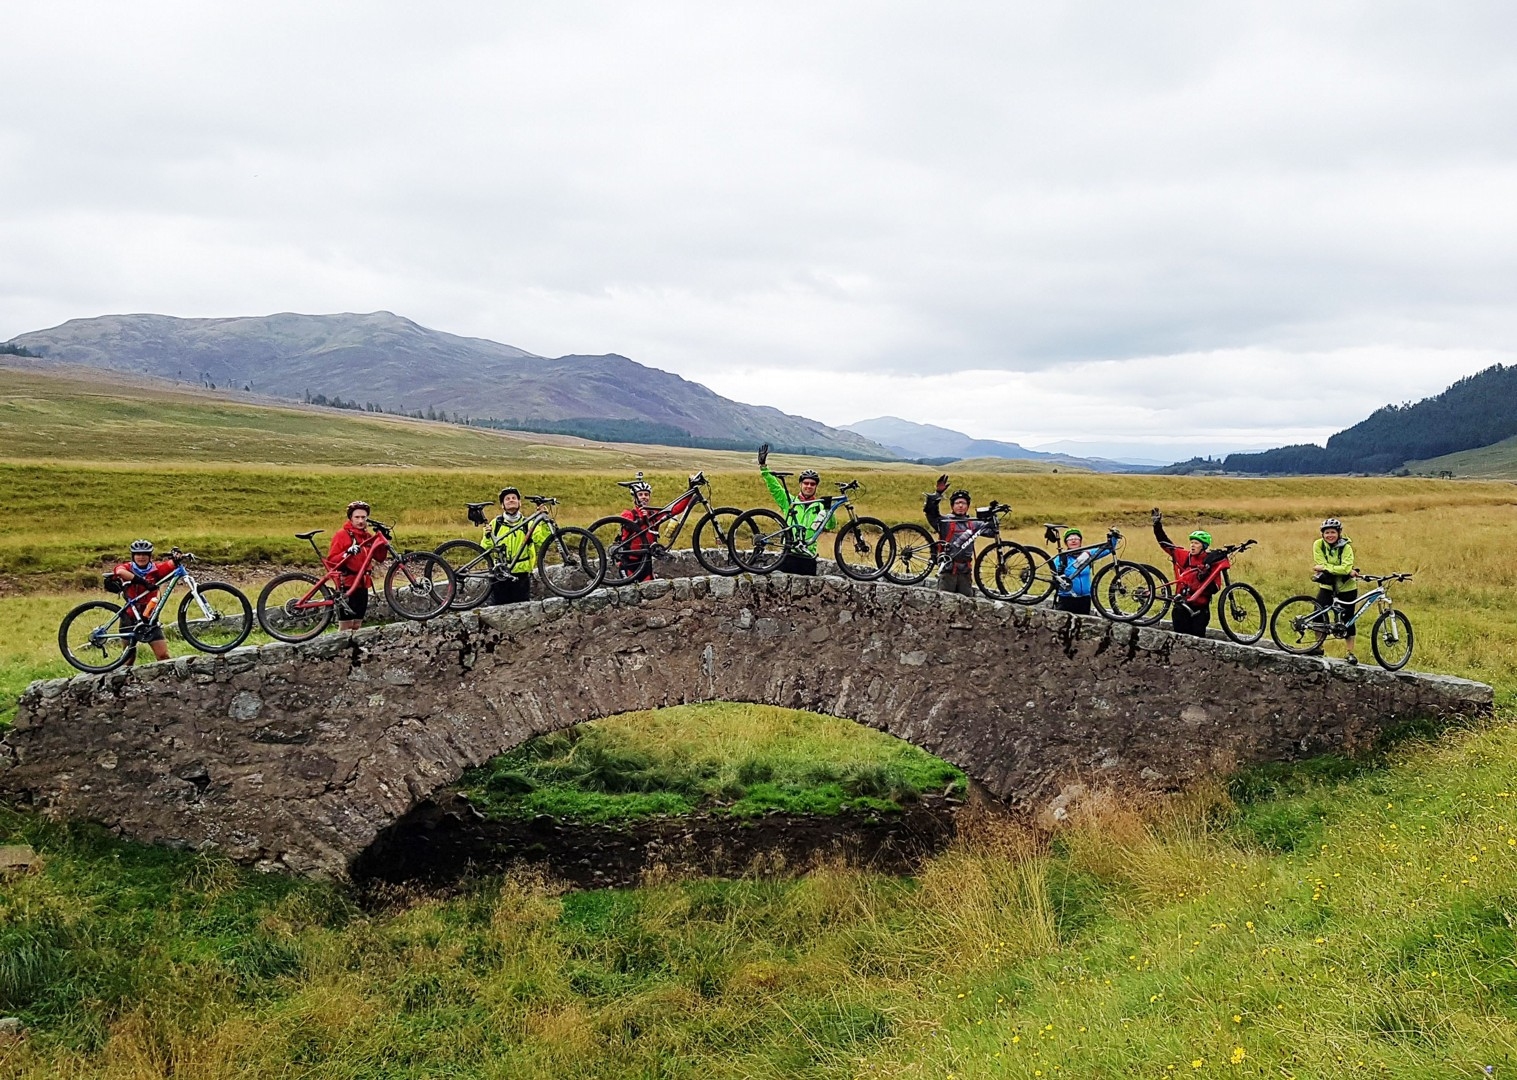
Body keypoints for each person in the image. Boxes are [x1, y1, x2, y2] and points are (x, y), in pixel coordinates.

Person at [757, 443, 832, 575]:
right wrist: (763, 467)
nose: (809, 486)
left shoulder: (820, 506)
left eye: (812, 484)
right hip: (788, 554)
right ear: (800, 484)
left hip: (808, 557)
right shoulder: (790, 502)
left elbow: (831, 526)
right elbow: (775, 488)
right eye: (806, 483)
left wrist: (828, 508)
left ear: (816, 486)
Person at [1152, 508, 1225, 637]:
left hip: (1200, 610)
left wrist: (1204, 575)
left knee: (1197, 640)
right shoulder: (1185, 556)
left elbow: (1216, 588)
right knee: (1179, 639)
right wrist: (1157, 525)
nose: (1192, 545)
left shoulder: (1211, 562)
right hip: (1181, 608)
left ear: (1204, 546)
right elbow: (1165, 544)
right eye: (1191, 543)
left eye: (1196, 543)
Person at [112, 539, 179, 665]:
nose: (141, 557)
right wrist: (142, 581)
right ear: (133, 556)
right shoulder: (127, 567)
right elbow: (120, 572)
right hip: (130, 616)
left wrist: (178, 558)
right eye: (138, 554)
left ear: (149, 556)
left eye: (144, 554)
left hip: (150, 618)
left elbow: (170, 565)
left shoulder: (155, 569)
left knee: (163, 656)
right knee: (128, 659)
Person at [481, 487, 551, 605]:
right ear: (502, 505)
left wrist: (544, 522)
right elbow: (485, 548)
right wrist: (488, 537)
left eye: (514, 498)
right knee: (499, 611)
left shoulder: (528, 523)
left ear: (520, 502)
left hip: (522, 575)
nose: (511, 500)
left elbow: (543, 542)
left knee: (522, 610)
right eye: (507, 499)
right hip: (500, 574)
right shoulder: (495, 524)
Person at [327, 500, 388, 630]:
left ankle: (353, 649)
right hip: (347, 584)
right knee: (346, 625)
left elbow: (380, 557)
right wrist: (347, 552)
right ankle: (342, 649)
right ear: (350, 518)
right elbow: (332, 560)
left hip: (363, 584)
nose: (360, 521)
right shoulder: (341, 535)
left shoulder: (367, 537)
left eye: (363, 517)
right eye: (357, 517)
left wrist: (383, 541)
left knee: (357, 625)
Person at [922, 475, 981, 596]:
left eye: (963, 503)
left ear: (968, 506)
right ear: (952, 506)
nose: (960, 506)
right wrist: (937, 494)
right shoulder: (945, 522)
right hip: (947, 572)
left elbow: (991, 530)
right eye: (957, 503)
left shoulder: (973, 523)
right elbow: (930, 513)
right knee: (943, 606)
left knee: (967, 608)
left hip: (965, 573)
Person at [1313, 516, 1359, 664]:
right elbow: (1321, 562)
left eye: (1333, 532)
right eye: (1327, 533)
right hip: (1327, 586)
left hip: (1347, 588)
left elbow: (1343, 567)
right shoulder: (1318, 545)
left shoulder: (1346, 547)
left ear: (1339, 533)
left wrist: (1328, 568)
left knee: (1348, 621)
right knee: (1318, 615)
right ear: (1322, 534)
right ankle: (1317, 647)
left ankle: (1350, 653)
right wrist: (1343, 571)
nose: (1330, 535)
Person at [615, 476, 659, 583]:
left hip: (646, 562)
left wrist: (691, 493)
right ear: (634, 497)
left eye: (646, 494)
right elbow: (629, 527)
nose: (644, 497)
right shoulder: (628, 514)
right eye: (640, 494)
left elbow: (675, 510)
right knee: (629, 591)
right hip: (629, 562)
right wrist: (640, 517)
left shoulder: (653, 514)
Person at [1050, 527, 1094, 615]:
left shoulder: (1087, 556)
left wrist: (1113, 539)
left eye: (1076, 538)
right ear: (1066, 542)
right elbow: (1054, 577)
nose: (1073, 541)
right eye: (1070, 539)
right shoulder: (1061, 558)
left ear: (1080, 541)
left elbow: (1105, 550)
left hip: (1085, 599)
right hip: (1066, 599)